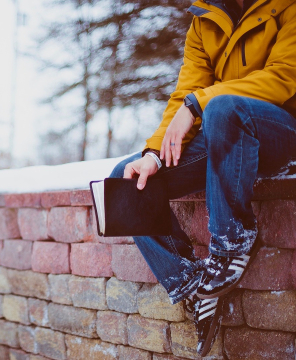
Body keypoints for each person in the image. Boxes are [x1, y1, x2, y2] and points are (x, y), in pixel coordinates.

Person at [109, 0, 296, 356]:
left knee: (224, 108)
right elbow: (184, 94)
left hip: (280, 129)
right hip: (225, 133)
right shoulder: (203, 21)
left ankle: (232, 242)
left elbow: (283, 77)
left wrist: (198, 104)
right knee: (127, 179)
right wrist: (152, 154)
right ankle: (194, 284)